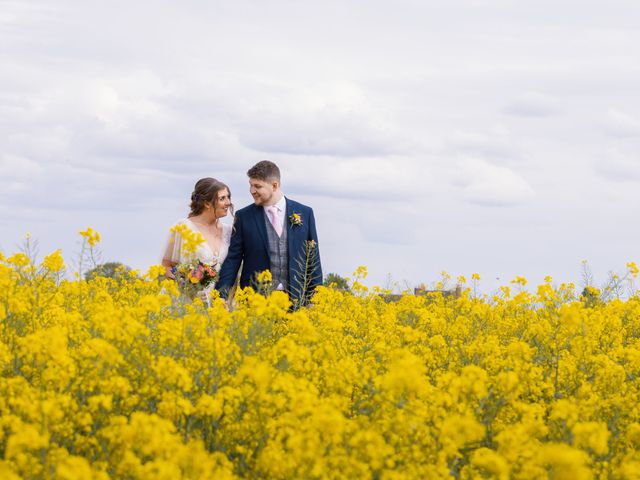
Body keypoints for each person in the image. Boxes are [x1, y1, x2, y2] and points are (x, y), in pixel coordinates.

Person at [216, 160, 322, 305]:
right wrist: (221, 295)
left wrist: (316, 299)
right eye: (251, 185)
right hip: (256, 301)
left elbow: (313, 259)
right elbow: (233, 259)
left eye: (257, 186)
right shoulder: (243, 217)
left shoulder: (305, 213)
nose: (252, 191)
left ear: (274, 186)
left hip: (297, 302)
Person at [162, 178, 233, 299]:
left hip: (217, 304)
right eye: (222, 198)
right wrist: (188, 287)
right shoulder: (183, 227)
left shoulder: (229, 231)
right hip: (186, 301)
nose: (228, 203)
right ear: (207, 203)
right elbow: (167, 265)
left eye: (228, 197)